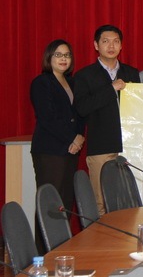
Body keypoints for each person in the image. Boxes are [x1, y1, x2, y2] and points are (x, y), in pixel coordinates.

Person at [73, 25, 140, 214]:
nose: (111, 46)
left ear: (121, 46)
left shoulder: (131, 73)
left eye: (116, 41)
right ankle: (101, 234)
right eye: (105, 41)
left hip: (130, 146)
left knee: (128, 199)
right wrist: (111, 89)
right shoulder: (84, 75)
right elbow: (82, 107)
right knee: (101, 201)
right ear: (96, 45)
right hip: (101, 146)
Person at [30, 40, 85, 236]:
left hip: (71, 149)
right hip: (50, 150)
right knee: (49, 202)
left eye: (67, 55)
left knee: (65, 201)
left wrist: (79, 137)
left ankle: (62, 244)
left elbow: (80, 113)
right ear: (49, 57)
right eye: (58, 55)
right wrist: (72, 138)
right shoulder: (41, 82)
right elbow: (47, 118)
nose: (64, 59)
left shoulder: (72, 82)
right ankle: (43, 249)